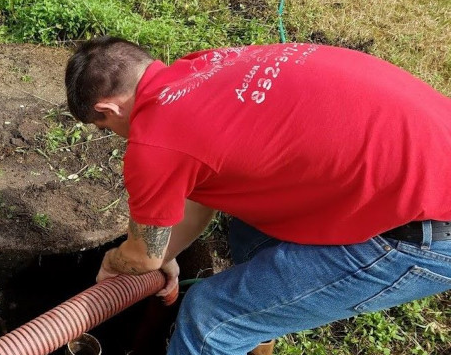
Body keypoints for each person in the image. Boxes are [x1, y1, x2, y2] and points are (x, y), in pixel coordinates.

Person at [65, 35, 451, 354]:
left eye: (103, 127)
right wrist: (162, 253)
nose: (114, 136)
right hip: (425, 165)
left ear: (107, 109)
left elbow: (142, 256)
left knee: (210, 320)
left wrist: (118, 262)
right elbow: (199, 202)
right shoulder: (208, 64)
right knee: (249, 237)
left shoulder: (155, 143)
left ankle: (237, 331)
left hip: (423, 229)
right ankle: (255, 332)